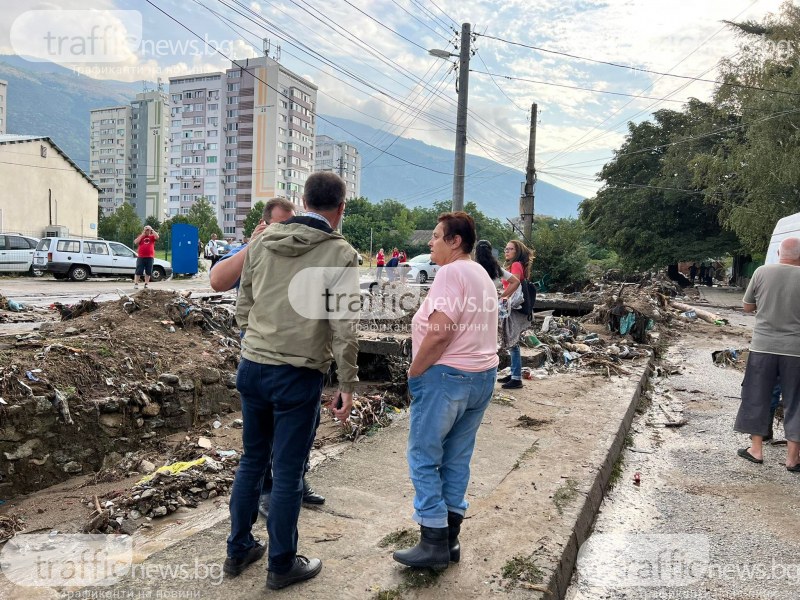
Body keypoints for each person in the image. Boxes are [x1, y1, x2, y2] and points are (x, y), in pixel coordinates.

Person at [227, 172, 359, 590]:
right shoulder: (340, 254)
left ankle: (238, 549)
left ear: (303, 200)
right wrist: (347, 383)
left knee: (251, 460)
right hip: (297, 375)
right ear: (340, 208)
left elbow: (243, 300)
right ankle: (281, 563)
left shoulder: (264, 240)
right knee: (286, 475)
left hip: (253, 366)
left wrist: (257, 339)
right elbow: (344, 327)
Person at [392, 212, 498, 571]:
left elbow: (440, 331)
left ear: (455, 242)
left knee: (423, 455)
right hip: (481, 375)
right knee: (456, 457)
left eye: (436, 236)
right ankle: (449, 539)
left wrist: (415, 371)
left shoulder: (452, 273)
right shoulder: (480, 273)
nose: (429, 242)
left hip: (448, 376)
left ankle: (433, 539)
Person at [210, 198, 326, 517]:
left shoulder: (301, 247)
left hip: (299, 356)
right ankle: (266, 492)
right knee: (262, 441)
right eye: (280, 225)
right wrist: (254, 244)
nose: (288, 230)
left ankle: (295, 482)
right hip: (262, 357)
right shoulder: (259, 247)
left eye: (292, 223)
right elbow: (219, 281)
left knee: (306, 426)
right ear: (264, 225)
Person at [734, 237, 800, 471]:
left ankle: (756, 450)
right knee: (796, 401)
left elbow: (747, 306)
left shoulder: (762, 272)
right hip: (796, 351)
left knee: (757, 395)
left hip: (763, 347)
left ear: (780, 252)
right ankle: (792, 459)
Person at [498, 240, 533, 389]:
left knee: (512, 343)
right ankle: (514, 372)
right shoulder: (516, 265)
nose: (507, 251)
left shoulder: (516, 265)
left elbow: (516, 283)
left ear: (517, 252)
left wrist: (501, 297)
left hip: (514, 308)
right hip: (513, 307)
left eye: (510, 249)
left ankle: (516, 378)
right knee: (511, 342)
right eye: (506, 248)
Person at [133, 225, 159, 289]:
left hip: (150, 257)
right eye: (146, 230)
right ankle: (136, 283)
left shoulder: (152, 237)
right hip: (141, 257)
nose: (147, 231)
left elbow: (157, 237)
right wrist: (142, 235)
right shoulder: (141, 236)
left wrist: (152, 230)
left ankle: (146, 284)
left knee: (148, 271)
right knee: (138, 271)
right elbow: (135, 242)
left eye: (148, 230)